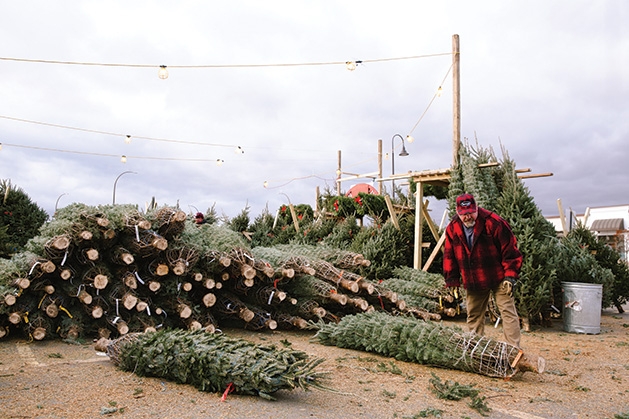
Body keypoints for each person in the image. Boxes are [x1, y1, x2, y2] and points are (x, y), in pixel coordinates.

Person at [443, 193, 523, 348]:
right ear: (457, 212)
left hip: (499, 277)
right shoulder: (453, 228)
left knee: (508, 312)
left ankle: (513, 350)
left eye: (471, 212)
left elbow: (511, 251)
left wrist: (510, 276)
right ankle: (476, 348)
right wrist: (452, 280)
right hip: (474, 278)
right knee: (474, 315)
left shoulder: (494, 223)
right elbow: (449, 255)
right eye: (463, 214)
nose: (467, 217)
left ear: (476, 208)